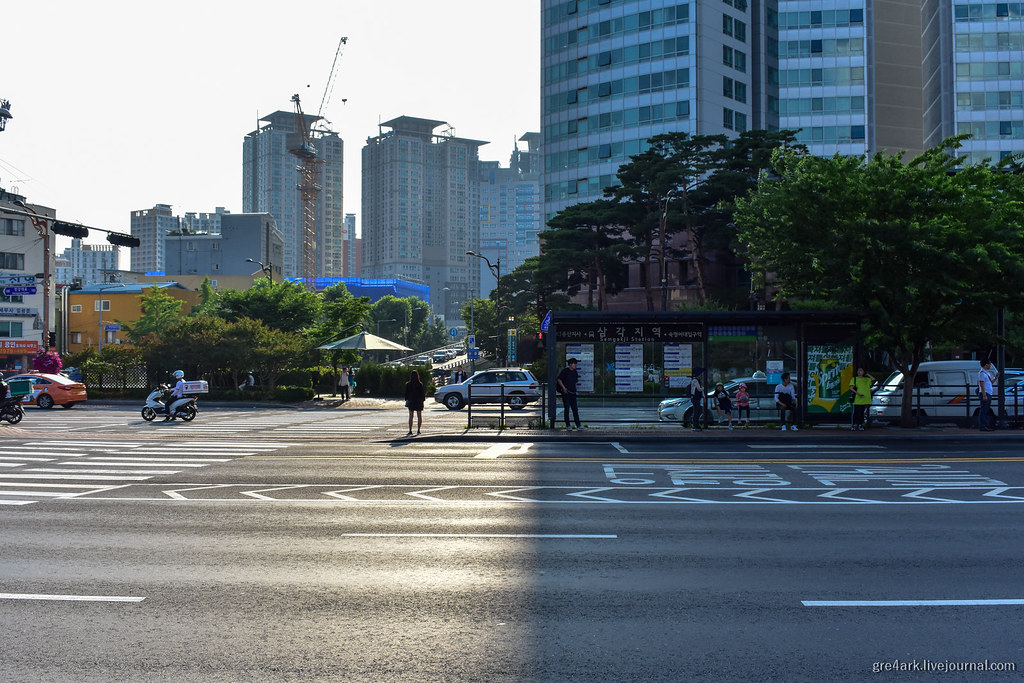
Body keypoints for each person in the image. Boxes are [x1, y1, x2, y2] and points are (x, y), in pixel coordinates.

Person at [556, 358, 582, 430]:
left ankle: (578, 425)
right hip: (566, 393)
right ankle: (568, 425)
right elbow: (559, 379)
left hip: (573, 392)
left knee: (575, 409)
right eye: (574, 363)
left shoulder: (575, 372)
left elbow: (575, 381)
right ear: (570, 364)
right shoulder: (565, 371)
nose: (575, 365)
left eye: (576, 364)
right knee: (567, 408)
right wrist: (564, 388)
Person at [404, 370, 426, 436]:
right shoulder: (420, 384)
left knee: (411, 416)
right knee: (419, 416)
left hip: (411, 401)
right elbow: (422, 394)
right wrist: (422, 400)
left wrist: (407, 399)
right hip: (418, 401)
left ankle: (410, 430)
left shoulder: (408, 384)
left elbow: (406, 394)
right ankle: (418, 430)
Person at [978, 359, 998, 431]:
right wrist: (984, 395)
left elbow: (989, 383)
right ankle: (983, 426)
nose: (990, 365)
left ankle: (985, 425)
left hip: (988, 393)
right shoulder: (982, 373)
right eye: (989, 364)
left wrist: (995, 378)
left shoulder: (986, 373)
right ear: (986, 365)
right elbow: (982, 385)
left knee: (986, 410)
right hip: (986, 393)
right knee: (984, 410)